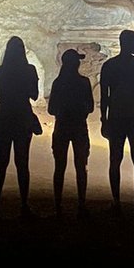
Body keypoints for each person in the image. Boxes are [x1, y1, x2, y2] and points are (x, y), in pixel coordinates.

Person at [99, 29, 134, 213]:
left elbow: (104, 96)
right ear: (128, 43)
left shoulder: (109, 66)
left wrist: (103, 120)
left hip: (116, 117)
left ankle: (116, 202)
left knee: (115, 159)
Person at [0, 36, 40, 217]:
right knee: (22, 163)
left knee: (0, 163)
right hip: (23, 116)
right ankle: (24, 205)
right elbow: (34, 95)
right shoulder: (29, 70)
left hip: (3, 115)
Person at [48, 49, 94, 216]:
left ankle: (58, 206)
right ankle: (81, 204)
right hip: (79, 127)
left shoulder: (58, 83)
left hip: (62, 127)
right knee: (81, 166)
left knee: (59, 167)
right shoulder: (83, 82)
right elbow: (90, 107)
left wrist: (63, 111)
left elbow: (51, 109)